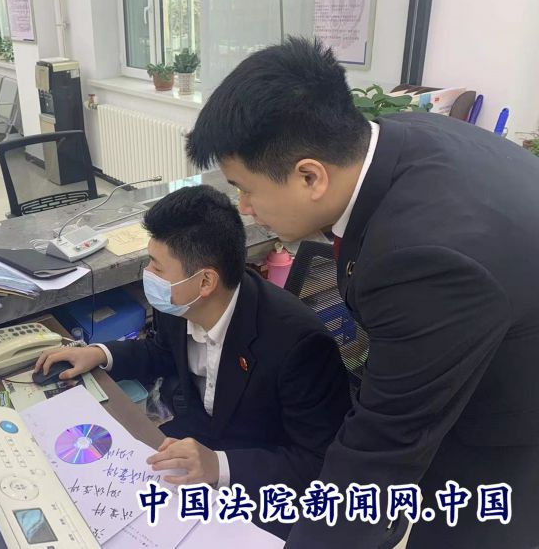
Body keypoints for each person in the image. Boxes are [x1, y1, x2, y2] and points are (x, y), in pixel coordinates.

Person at [185, 36, 539, 548]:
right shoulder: (394, 139)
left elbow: (381, 450)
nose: (243, 207)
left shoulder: (422, 260)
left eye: (247, 188)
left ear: (310, 176)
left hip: (510, 420)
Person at [35, 185, 350, 538]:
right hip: (198, 436)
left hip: (259, 473)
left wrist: (219, 465)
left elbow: (318, 462)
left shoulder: (298, 344)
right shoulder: (179, 303)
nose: (148, 275)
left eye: (157, 266)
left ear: (205, 281)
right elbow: (162, 351)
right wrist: (100, 353)